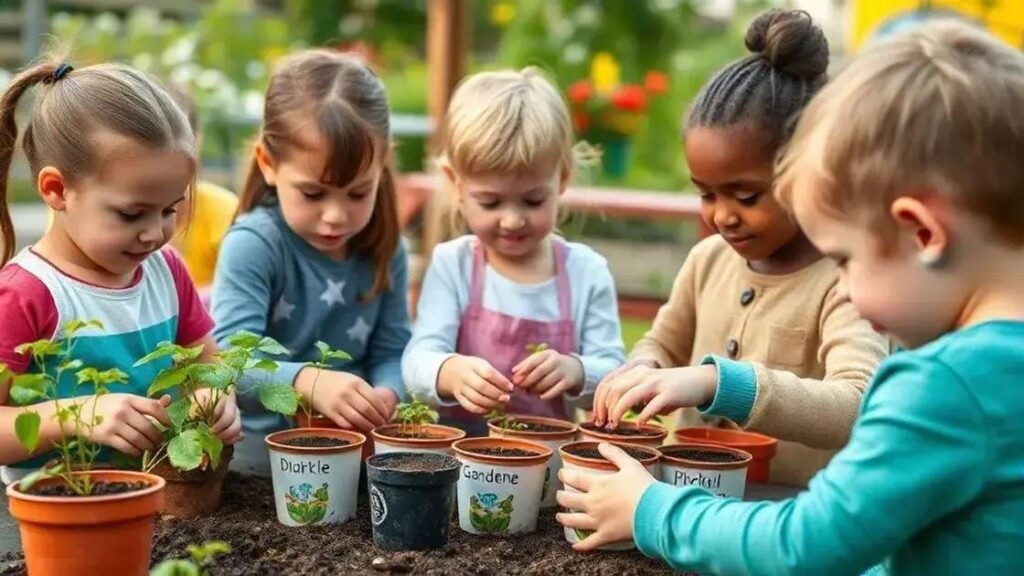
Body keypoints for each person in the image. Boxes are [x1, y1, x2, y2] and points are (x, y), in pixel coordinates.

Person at [558, 19, 1024, 575]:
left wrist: (651, 510)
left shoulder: (943, 387)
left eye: (846, 259)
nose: (842, 284)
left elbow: (803, 546)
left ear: (922, 233)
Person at [592, 10, 888, 486]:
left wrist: (718, 384)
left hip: (788, 514)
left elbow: (856, 404)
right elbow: (663, 343)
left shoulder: (845, 282)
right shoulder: (708, 260)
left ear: (809, 170)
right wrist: (644, 368)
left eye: (746, 196)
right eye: (706, 194)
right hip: (683, 503)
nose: (722, 216)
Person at [0, 59, 239, 482]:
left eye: (169, 209)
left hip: (165, 498)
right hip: (57, 508)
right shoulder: (25, 294)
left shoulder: (167, 271)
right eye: (131, 214)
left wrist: (215, 398)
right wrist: (79, 416)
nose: (155, 234)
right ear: (57, 190)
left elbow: (209, 367)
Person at [402, 68, 625, 435]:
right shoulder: (454, 265)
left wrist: (576, 370)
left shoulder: (586, 272)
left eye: (533, 200)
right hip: (458, 455)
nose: (512, 220)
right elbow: (416, 361)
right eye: (490, 202)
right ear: (456, 183)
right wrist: (450, 372)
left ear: (563, 178)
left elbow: (616, 372)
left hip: (549, 457)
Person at [212, 50, 409, 439]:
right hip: (261, 454)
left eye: (358, 193)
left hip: (355, 447)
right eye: (313, 193)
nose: (335, 215)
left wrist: (388, 396)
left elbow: (392, 351)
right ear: (268, 163)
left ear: (382, 163)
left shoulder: (385, 247)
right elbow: (230, 365)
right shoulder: (255, 245)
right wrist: (307, 382)